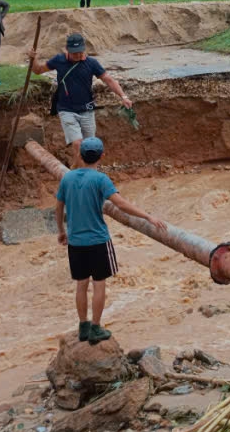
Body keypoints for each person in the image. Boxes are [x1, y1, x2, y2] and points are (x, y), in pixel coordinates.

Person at [56, 136, 164, 344]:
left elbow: (59, 207)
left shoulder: (67, 179)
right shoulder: (100, 180)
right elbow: (121, 204)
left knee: (81, 285)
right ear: (102, 156)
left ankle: (83, 325)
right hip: (97, 240)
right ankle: (96, 327)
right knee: (99, 284)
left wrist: (61, 231)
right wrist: (148, 216)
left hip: (75, 242)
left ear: (79, 155)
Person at [28, 32, 133, 165]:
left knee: (91, 147)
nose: (77, 55)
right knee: (77, 143)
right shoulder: (59, 60)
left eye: (80, 52)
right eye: (74, 53)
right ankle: (81, 175)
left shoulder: (91, 63)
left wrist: (123, 96)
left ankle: (84, 169)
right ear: (67, 50)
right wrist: (33, 59)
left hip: (87, 110)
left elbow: (108, 79)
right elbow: (38, 70)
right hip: (66, 109)